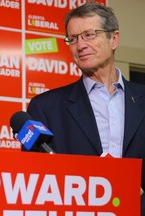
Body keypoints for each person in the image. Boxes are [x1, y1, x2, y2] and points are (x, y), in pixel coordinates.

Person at [26, 1, 145, 214]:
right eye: (73, 39)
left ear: (114, 39)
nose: (80, 45)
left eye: (89, 35)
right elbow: (36, 183)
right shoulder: (45, 108)